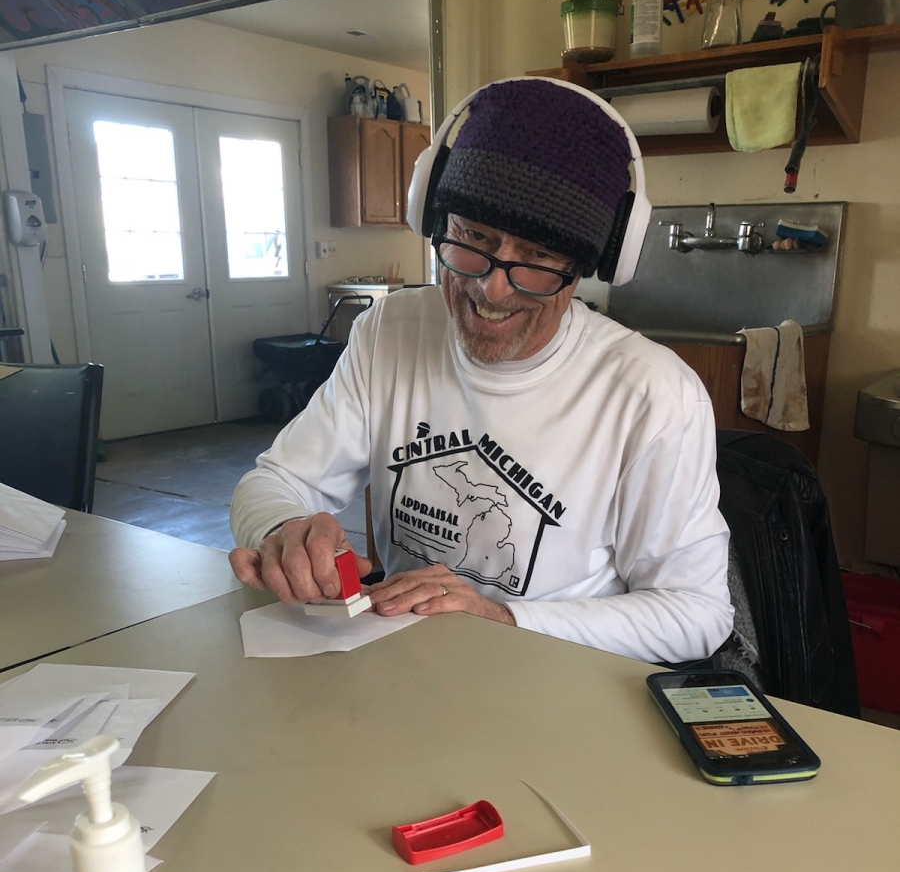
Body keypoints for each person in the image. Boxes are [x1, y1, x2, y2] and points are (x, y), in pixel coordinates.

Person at [230, 77, 733, 665]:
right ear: (433, 214)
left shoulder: (655, 395)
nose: (491, 288)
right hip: (412, 673)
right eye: (472, 238)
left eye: (539, 258)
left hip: (562, 687)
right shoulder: (389, 332)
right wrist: (284, 529)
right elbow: (273, 482)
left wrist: (502, 617)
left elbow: (698, 613)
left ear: (588, 267)